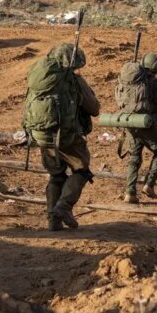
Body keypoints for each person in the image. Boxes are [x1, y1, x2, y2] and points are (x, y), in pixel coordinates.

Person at [36, 43, 100, 230]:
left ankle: (53, 221)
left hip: (43, 135)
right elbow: (94, 109)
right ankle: (63, 206)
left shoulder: (40, 79)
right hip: (67, 136)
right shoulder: (73, 81)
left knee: (56, 175)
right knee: (82, 171)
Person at [123, 52, 157, 204]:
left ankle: (130, 192)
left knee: (134, 157)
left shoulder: (130, 81)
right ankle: (149, 185)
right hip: (148, 124)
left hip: (130, 123)